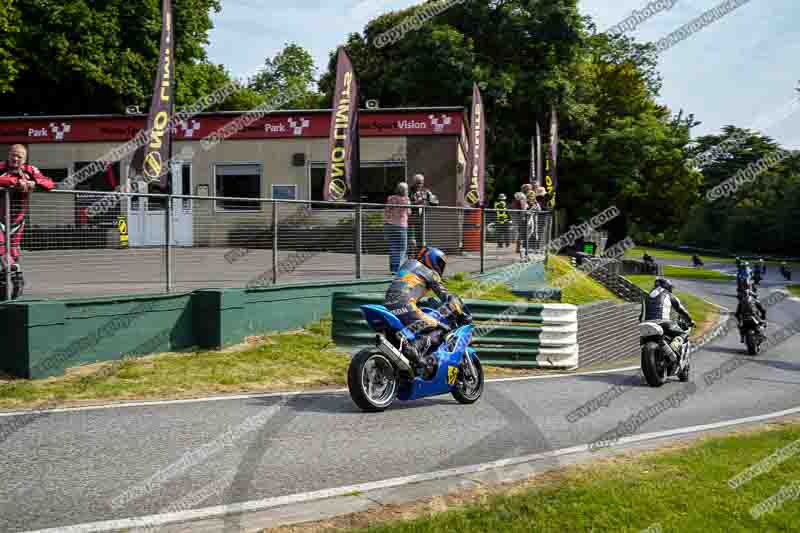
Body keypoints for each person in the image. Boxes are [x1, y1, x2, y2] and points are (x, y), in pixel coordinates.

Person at [384, 246, 453, 378]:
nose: (440, 267)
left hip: (388, 305)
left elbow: (408, 288)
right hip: (406, 306)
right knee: (440, 328)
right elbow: (445, 295)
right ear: (432, 259)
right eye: (439, 263)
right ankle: (414, 349)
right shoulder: (429, 273)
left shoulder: (408, 265)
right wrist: (457, 307)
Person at [0, 144, 56, 300]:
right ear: (8, 155)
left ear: (24, 159)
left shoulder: (30, 170)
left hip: (18, 219)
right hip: (0, 218)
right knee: (1, 251)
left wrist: (34, 183)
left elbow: (50, 183)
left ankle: (14, 279)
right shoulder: (1, 167)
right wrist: (15, 182)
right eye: (13, 155)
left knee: (13, 253)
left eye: (19, 156)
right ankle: (11, 277)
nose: (15, 159)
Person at [640, 278, 694, 363]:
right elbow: (681, 310)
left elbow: (641, 316)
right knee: (684, 333)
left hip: (645, 325)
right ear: (666, 286)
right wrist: (690, 321)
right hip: (663, 323)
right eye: (670, 287)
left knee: (642, 342)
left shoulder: (646, 296)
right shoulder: (668, 294)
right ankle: (675, 344)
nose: (671, 289)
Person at [384, 182, 410, 275]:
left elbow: (387, 210)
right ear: (405, 191)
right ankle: (400, 269)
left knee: (392, 248)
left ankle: (393, 269)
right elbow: (409, 212)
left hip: (389, 225)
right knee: (402, 248)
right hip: (401, 226)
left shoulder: (390, 198)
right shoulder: (406, 200)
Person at [408, 174, 438, 255]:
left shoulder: (425, 191)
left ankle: (420, 256)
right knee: (411, 239)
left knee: (421, 239)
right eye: (417, 183)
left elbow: (435, 202)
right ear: (413, 182)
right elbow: (405, 203)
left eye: (421, 183)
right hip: (410, 219)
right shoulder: (408, 191)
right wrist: (416, 203)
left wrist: (432, 200)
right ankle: (410, 256)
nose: (419, 185)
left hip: (421, 218)